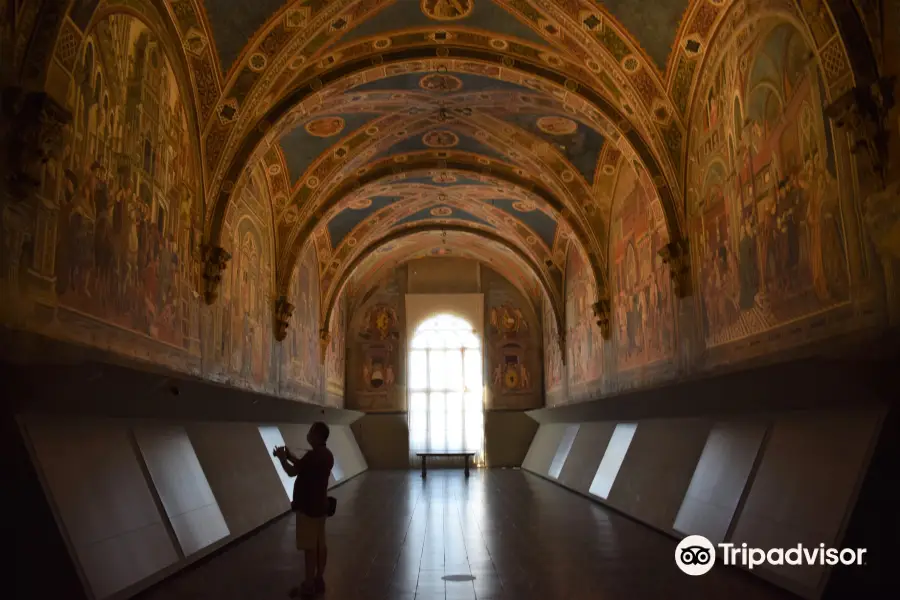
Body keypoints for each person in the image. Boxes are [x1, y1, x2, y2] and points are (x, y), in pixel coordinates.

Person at [274, 422, 334, 598]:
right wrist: (291, 456)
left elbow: (293, 472)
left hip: (308, 509)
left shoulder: (313, 456)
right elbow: (303, 465)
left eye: (310, 432)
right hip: (321, 507)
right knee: (319, 544)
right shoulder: (326, 455)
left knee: (309, 548)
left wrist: (282, 458)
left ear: (316, 435)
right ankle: (318, 579)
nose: (308, 435)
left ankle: (308, 586)